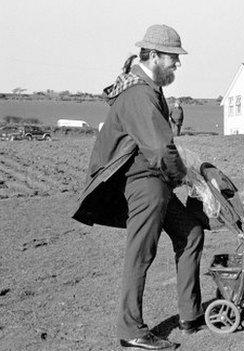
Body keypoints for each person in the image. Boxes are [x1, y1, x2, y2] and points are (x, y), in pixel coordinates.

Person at [72, 24, 204, 350]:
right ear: (154, 55)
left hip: (154, 179)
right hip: (143, 182)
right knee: (140, 254)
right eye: (173, 58)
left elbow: (158, 144)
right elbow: (160, 149)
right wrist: (183, 176)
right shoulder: (139, 93)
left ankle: (190, 315)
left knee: (191, 232)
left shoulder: (147, 88)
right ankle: (130, 329)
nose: (177, 64)